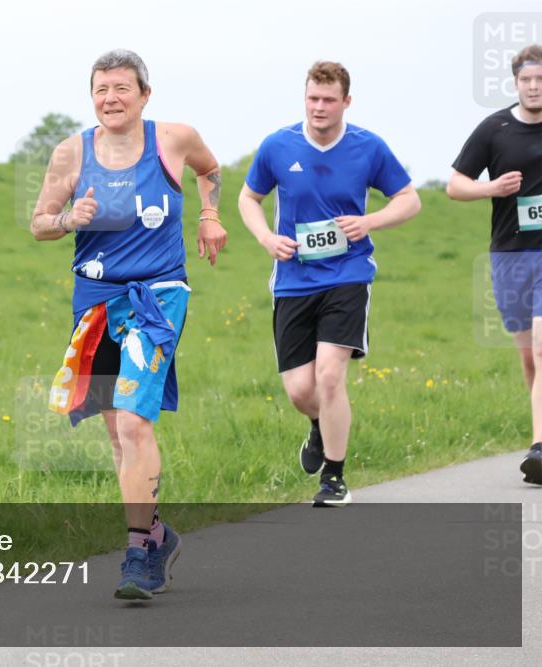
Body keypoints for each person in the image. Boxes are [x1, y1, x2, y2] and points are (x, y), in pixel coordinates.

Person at [31, 49, 226, 599]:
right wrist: (70, 218)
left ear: (145, 94)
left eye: (121, 88)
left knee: (136, 424)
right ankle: (159, 533)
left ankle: (137, 552)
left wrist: (210, 216)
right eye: (100, 90)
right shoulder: (71, 153)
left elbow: (210, 170)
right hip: (95, 301)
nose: (110, 98)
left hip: (158, 296)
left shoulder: (174, 139)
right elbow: (40, 223)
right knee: (116, 431)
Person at [237, 61, 421, 507]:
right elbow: (248, 198)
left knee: (330, 376)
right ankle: (320, 427)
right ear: (305, 98)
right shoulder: (278, 146)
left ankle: (334, 480)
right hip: (293, 281)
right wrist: (266, 238)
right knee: (302, 390)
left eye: (328, 99)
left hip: (348, 274)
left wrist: (369, 221)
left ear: (346, 102)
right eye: (312, 98)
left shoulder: (368, 147)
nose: (319, 107)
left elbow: (409, 200)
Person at [446, 44, 542, 485]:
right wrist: (493, 190)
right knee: (529, 359)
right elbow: (455, 186)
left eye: (540, 79)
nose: (534, 86)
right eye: (527, 80)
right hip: (510, 254)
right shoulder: (495, 128)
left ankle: (539, 448)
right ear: (515, 82)